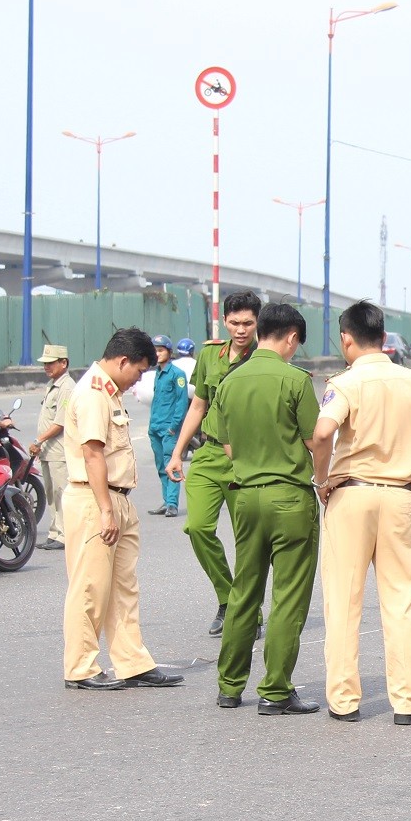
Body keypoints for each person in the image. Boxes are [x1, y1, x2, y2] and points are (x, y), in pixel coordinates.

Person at [310, 301, 411, 724]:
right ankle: (407, 702)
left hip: (351, 494)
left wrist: (321, 478)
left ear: (346, 339)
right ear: (383, 339)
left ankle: (345, 702)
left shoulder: (344, 383)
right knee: (400, 601)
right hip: (401, 495)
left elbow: (324, 431)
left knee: (343, 601)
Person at [212, 302, 321, 714]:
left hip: (245, 496)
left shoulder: (230, 382)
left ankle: (229, 685)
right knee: (288, 595)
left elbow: (227, 445)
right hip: (289, 496)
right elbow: (316, 440)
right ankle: (275, 690)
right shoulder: (295, 380)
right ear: (291, 336)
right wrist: (323, 479)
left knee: (244, 591)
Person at [61, 326, 184, 690]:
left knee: (123, 588)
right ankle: (80, 668)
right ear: (123, 360)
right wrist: (105, 510)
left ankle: (131, 662)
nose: (138, 380)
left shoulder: (109, 391)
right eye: (139, 371)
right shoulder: (94, 392)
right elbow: (93, 452)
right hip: (95, 499)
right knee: (90, 587)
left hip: (116, 498)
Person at [168, 291, 262, 636]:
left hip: (246, 458)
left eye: (248, 323)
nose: (241, 330)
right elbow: (198, 406)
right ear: (225, 321)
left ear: (257, 323)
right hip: (208, 455)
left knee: (248, 540)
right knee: (197, 528)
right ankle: (228, 598)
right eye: (235, 323)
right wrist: (178, 452)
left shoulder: (264, 358)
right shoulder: (209, 355)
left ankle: (248, 609)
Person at [32, 344, 75, 551]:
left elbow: (61, 422)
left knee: (62, 493)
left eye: (50, 363)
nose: (46, 367)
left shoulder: (67, 387)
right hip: (49, 450)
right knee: (50, 493)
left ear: (63, 363)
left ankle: (66, 535)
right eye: (45, 364)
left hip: (59, 449)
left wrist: (39, 440)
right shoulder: (52, 385)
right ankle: (55, 532)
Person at [145, 336, 190, 517]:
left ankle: (172, 503)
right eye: (155, 350)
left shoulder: (177, 374)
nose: (157, 354)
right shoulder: (157, 373)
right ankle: (166, 500)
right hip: (155, 427)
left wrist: (173, 427)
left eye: (161, 350)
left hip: (168, 428)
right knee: (160, 466)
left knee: (171, 464)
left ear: (169, 353)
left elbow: (181, 403)